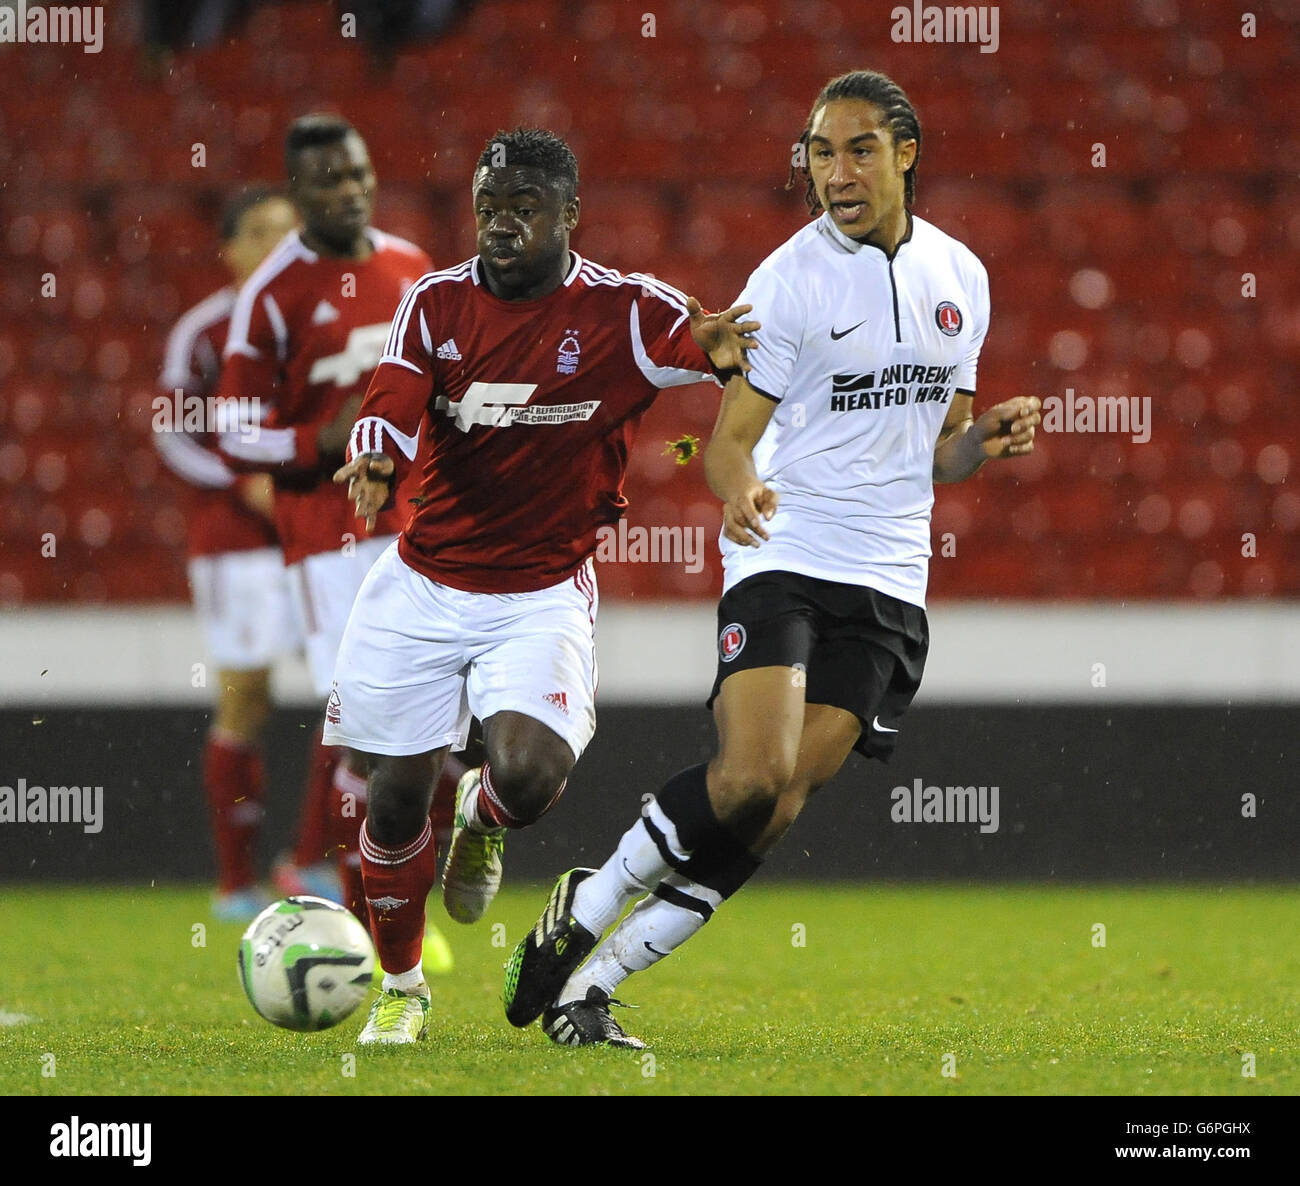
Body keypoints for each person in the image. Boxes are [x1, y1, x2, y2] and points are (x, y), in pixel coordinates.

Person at [506, 68, 1043, 1048]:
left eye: (857, 149)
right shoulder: (788, 280)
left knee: (778, 807)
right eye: (819, 151)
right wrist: (736, 487)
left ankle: (593, 989)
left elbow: (942, 449)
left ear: (905, 154)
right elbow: (724, 442)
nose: (834, 171)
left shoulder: (961, 277)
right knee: (751, 774)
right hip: (787, 549)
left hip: (890, 578)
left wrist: (985, 442)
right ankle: (587, 904)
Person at [326, 126, 758, 1045]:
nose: (502, 226)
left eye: (525, 209)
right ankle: (402, 989)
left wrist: (722, 350)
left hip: (540, 591)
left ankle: (482, 814)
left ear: (570, 215)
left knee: (528, 774)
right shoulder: (435, 306)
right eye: (489, 209)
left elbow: (714, 346)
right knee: (394, 798)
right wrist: (372, 460)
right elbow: (391, 400)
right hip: (422, 583)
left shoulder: (623, 311)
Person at [215, 115, 456, 973]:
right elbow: (233, 433)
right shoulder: (272, 294)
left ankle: (387, 906)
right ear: (298, 191)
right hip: (329, 535)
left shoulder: (409, 268)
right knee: (368, 736)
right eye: (328, 180)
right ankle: (373, 930)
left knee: (440, 735)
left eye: (358, 173)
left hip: (424, 521)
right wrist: (320, 442)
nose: (350, 190)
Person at [154, 187, 334, 921]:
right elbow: (172, 430)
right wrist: (245, 479)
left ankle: (310, 861)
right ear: (227, 249)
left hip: (318, 531)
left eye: (287, 232)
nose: (275, 245)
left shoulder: (317, 320)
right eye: (257, 232)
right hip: (237, 543)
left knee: (352, 688)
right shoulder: (204, 330)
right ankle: (235, 882)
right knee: (246, 697)